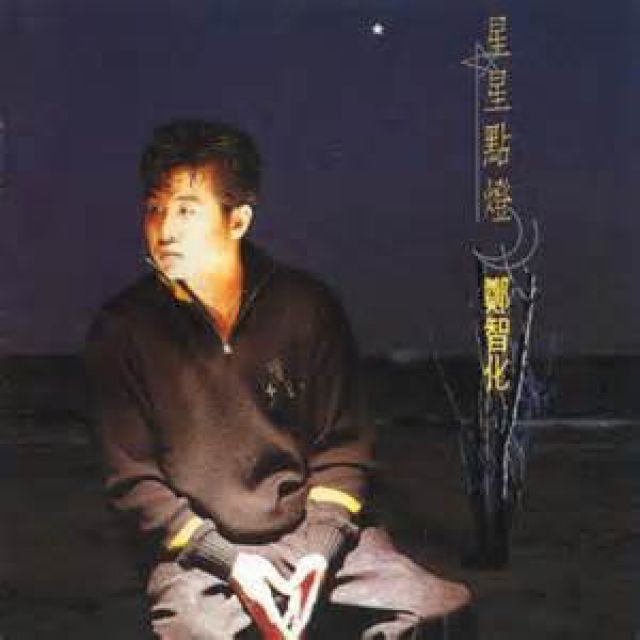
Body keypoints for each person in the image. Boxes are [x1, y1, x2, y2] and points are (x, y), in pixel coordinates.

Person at [85, 119, 474, 639]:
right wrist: (228, 561)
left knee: (441, 608)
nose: (165, 229)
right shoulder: (123, 328)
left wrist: (319, 551)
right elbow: (133, 480)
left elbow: (343, 450)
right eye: (154, 208)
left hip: (307, 532)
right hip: (198, 555)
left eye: (186, 210)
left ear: (238, 220)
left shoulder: (306, 307)